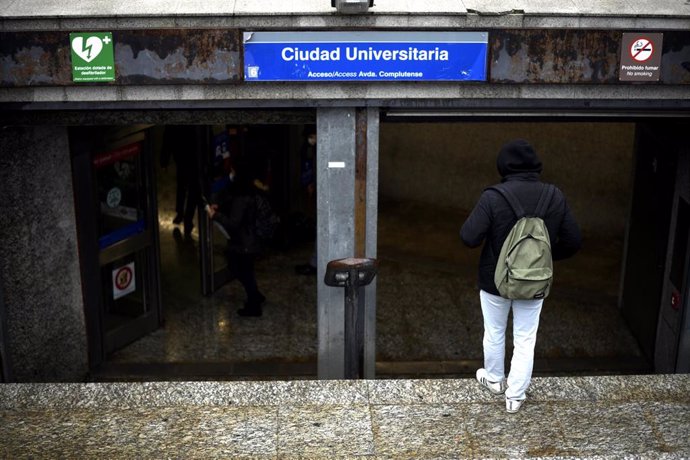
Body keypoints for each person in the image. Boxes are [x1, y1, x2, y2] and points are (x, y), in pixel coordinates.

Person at [460, 139, 581, 413]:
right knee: (526, 337)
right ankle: (515, 397)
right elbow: (574, 240)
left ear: (503, 166)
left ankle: (494, 380)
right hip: (535, 280)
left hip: (495, 282)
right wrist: (542, 261)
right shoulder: (554, 196)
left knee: (495, 331)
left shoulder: (493, 197)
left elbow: (468, 237)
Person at [206, 159, 266, 317]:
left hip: (244, 242)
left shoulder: (241, 197)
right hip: (250, 240)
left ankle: (254, 303)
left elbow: (233, 223)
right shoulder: (248, 191)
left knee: (239, 268)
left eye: (233, 171)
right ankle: (255, 295)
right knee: (246, 270)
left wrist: (216, 215)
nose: (230, 174)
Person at [161, 125, 200, 237]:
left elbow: (167, 139)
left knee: (183, 186)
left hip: (183, 156)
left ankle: (182, 214)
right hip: (192, 157)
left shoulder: (174, 123)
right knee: (192, 189)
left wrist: (164, 160)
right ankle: (187, 217)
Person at [294, 125, 318, 276]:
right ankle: (315, 263)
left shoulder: (314, 149)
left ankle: (315, 264)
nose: (311, 139)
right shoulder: (309, 149)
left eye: (312, 136)